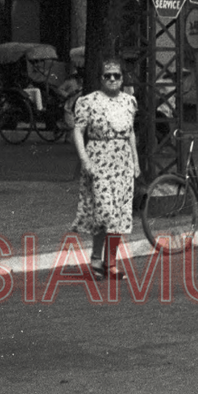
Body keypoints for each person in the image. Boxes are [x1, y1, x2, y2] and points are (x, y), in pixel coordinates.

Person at [70, 59, 139, 279]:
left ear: (122, 78)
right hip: (98, 162)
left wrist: (136, 162)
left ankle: (109, 262)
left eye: (116, 76)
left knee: (118, 216)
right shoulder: (87, 101)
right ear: (100, 78)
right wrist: (85, 160)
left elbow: (130, 134)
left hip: (123, 163)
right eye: (107, 75)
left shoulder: (130, 102)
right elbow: (78, 131)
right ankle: (96, 257)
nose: (111, 79)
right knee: (105, 213)